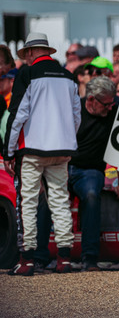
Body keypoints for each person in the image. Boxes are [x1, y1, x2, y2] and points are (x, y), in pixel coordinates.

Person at [4, 32, 81, 275]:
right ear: (46, 51)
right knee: (59, 200)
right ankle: (65, 257)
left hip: (33, 148)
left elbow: (17, 115)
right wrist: (66, 136)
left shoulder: (27, 74)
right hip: (62, 147)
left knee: (28, 201)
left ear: (29, 52)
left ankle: (26, 260)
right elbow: (76, 117)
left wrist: (8, 151)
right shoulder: (69, 77)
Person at [35, 76, 119, 271]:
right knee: (44, 198)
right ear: (91, 100)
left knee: (92, 196)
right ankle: (39, 256)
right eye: (107, 104)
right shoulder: (70, 110)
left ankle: (90, 257)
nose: (110, 108)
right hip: (61, 166)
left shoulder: (113, 113)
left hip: (90, 170)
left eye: (113, 103)